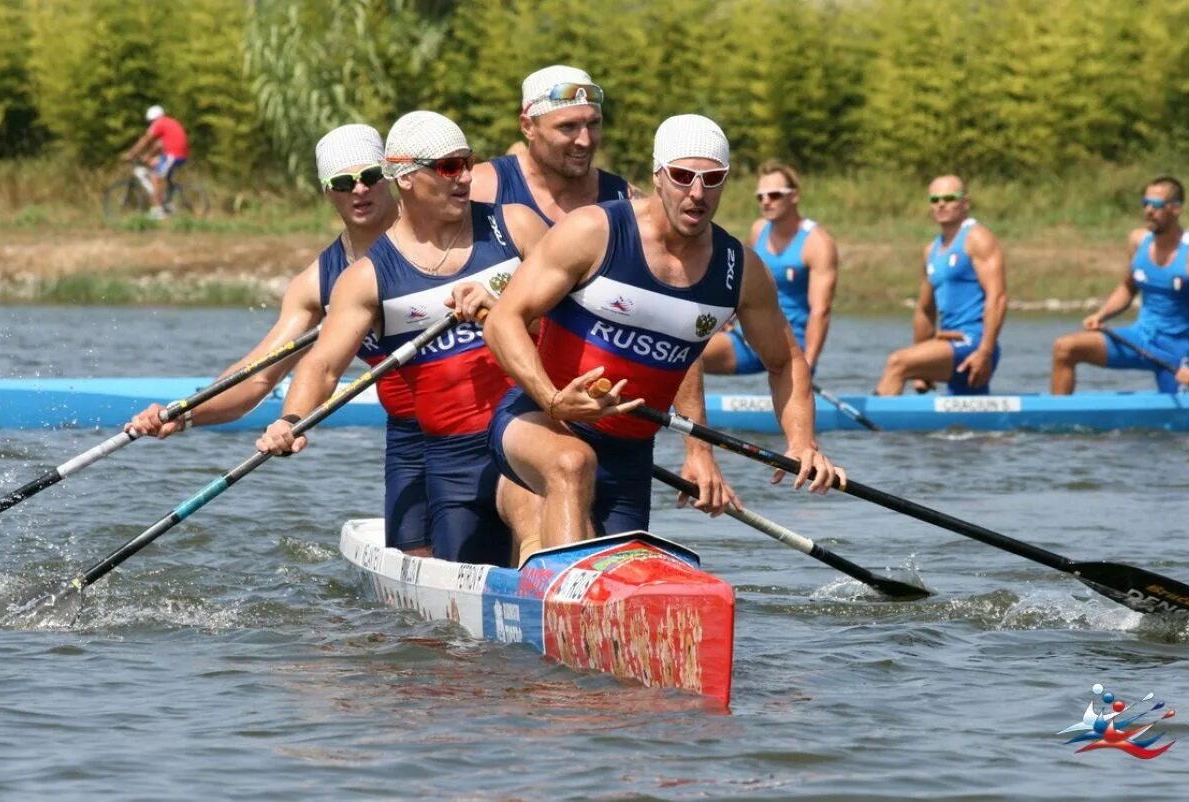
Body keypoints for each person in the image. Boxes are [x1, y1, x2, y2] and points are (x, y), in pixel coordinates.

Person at [483, 114, 845, 563]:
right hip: (540, 420)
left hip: (630, 452)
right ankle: (560, 588)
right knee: (572, 465)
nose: (697, 193)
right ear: (658, 176)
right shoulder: (594, 232)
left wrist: (802, 443)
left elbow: (786, 362)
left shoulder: (740, 271)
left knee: (619, 577)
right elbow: (502, 320)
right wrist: (552, 398)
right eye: (682, 176)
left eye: (712, 179)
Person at [256, 111, 549, 567]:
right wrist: (290, 419)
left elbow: (581, 301)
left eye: (467, 162)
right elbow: (322, 365)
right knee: (439, 579)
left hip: (525, 420)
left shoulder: (516, 225)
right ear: (408, 178)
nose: (467, 177)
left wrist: (500, 298)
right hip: (438, 443)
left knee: (534, 499)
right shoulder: (360, 277)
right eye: (449, 167)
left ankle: (543, 578)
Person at [128, 124, 430, 552]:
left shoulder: (437, 231)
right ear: (328, 192)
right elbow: (257, 378)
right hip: (412, 435)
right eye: (343, 183)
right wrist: (184, 414)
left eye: (370, 177)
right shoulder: (317, 284)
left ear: (390, 177)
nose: (359, 190)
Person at [1050, 176, 1189, 394]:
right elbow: (1127, 288)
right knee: (1065, 348)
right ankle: (1059, 421)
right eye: (1145, 203)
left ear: (1176, 209)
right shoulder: (1138, 241)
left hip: (1175, 351)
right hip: (1138, 339)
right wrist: (1102, 314)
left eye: (1156, 205)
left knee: (1178, 426)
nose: (1148, 211)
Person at [700, 160, 839, 375]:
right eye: (760, 196)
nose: (766, 201)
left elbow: (821, 311)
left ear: (794, 195)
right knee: (686, 353)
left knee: (691, 356)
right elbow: (745, 286)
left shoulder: (817, 243)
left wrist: (809, 364)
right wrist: (725, 319)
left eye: (774, 195)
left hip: (791, 344)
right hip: (751, 336)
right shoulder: (759, 229)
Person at [874, 175, 1007, 396]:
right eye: (935, 199)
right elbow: (926, 310)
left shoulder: (978, 238)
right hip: (948, 345)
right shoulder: (931, 250)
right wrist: (920, 366)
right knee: (967, 426)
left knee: (897, 363)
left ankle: (874, 430)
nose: (941, 204)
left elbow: (998, 297)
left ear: (965, 202)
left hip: (974, 342)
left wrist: (985, 351)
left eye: (949, 198)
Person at [469, 64, 631, 224]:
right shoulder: (478, 191)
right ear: (528, 127)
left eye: (593, 124)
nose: (585, 140)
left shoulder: (625, 199)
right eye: (568, 126)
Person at [122, 105, 189, 220]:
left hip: (173, 155)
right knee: (153, 163)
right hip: (179, 154)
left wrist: (132, 154)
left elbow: (145, 140)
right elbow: (159, 144)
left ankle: (158, 212)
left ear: (153, 119)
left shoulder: (160, 123)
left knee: (154, 178)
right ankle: (167, 200)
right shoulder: (169, 123)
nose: (150, 125)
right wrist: (148, 156)